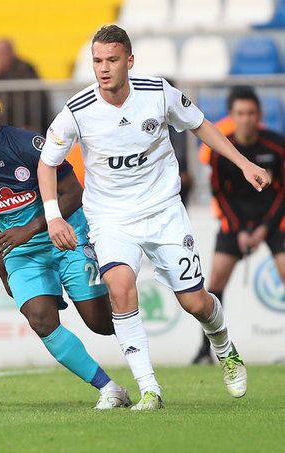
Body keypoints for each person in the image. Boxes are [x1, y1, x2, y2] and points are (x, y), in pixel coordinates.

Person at [37, 25, 270, 410]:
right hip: (111, 218)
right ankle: (149, 389)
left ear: (129, 61)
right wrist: (52, 217)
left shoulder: (158, 92)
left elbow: (201, 125)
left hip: (163, 211)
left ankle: (224, 345)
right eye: (97, 61)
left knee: (195, 303)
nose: (103, 68)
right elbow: (47, 163)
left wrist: (244, 163)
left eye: (112, 60)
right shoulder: (77, 111)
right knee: (119, 289)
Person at [0, 87, 131, 409]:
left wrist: (28, 229)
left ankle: (143, 360)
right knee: (40, 320)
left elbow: (73, 193)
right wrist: (2, 268)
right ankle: (109, 388)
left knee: (100, 324)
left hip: (66, 237)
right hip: (21, 252)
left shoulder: (27, 145)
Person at [192, 87, 285, 364]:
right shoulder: (222, 151)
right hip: (236, 224)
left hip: (274, 221)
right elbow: (220, 195)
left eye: (251, 113)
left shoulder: (277, 145)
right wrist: (240, 229)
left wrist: (264, 227)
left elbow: (282, 192)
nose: (246, 119)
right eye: (240, 113)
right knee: (215, 283)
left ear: (260, 115)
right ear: (232, 116)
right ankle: (205, 351)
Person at [0, 38, 50, 133]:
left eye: (6, 52)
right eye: (1, 53)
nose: (4, 56)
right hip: (9, 117)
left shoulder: (25, 68)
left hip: (31, 117)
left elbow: (34, 97)